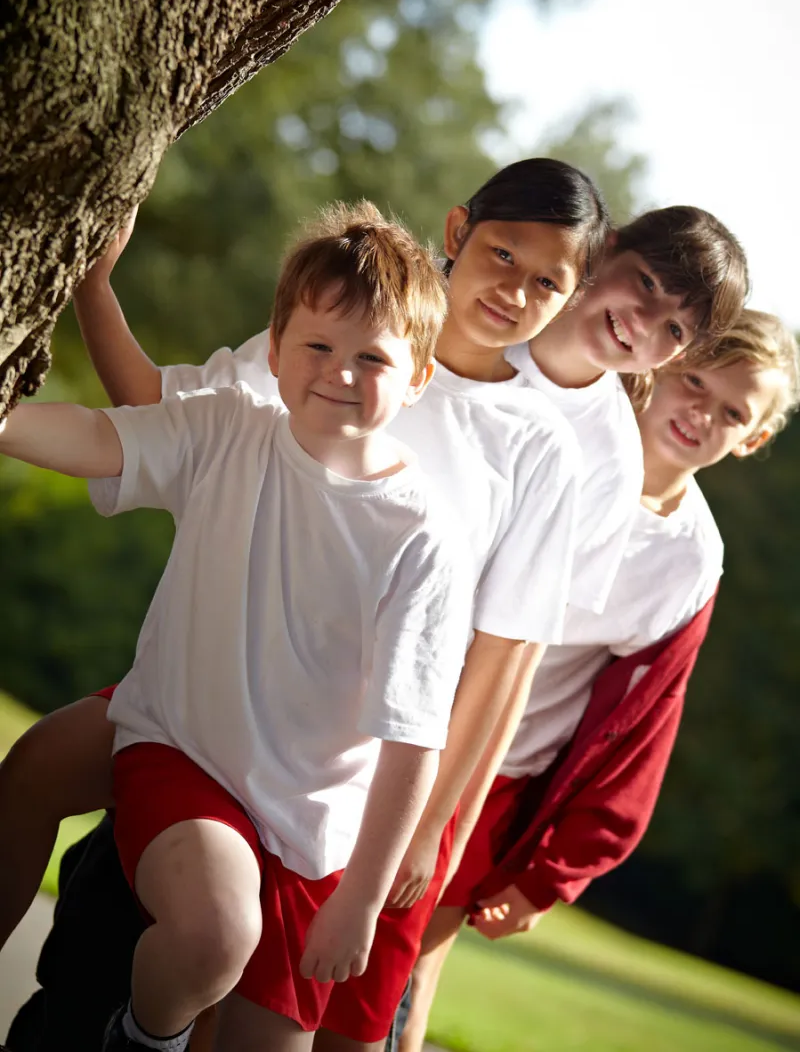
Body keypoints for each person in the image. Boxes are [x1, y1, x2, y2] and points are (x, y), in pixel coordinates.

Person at [2, 164, 749, 1047]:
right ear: (459, 231)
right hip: (212, 695)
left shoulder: (563, 447)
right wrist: (94, 284)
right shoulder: (359, 321)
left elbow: (504, 658)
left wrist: (431, 831)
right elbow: (168, 421)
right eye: (501, 255)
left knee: (244, 987)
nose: (514, 288)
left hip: (342, 761)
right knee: (61, 816)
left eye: (544, 278)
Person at [0, 203, 478, 1052]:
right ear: (275, 349)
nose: (339, 371)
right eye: (318, 347)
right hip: (184, 748)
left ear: (419, 379)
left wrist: (361, 898)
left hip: (309, 827)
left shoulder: (421, 537)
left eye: (373, 357)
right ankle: (144, 1040)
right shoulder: (228, 430)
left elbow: (410, 740)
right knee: (215, 935)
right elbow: (94, 437)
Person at [396, 308, 799, 1052]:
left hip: (497, 776)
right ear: (661, 368)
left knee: (408, 983)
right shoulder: (562, 439)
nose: (702, 412)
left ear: (755, 437)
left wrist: (554, 873)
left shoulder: (690, 561)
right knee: (304, 931)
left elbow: (644, 724)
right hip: (393, 713)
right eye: (694, 381)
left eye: (733, 411)